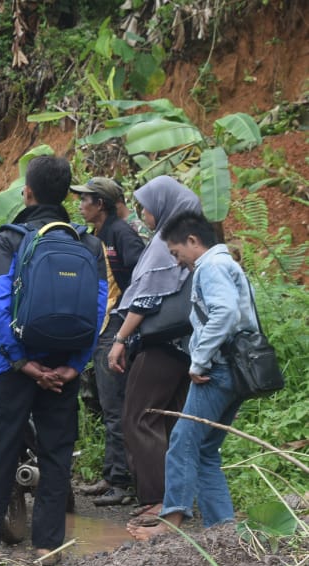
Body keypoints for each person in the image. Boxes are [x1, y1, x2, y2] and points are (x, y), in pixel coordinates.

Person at [0, 156, 107, 563]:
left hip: (12, 366)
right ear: (67, 194)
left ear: (27, 192)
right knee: (56, 452)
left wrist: (20, 362)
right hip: (63, 363)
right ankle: (49, 546)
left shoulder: (9, 238)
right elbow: (97, 311)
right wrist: (73, 366)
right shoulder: (89, 243)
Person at [128, 211, 250, 540]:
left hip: (217, 370)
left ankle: (170, 526)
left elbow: (224, 313)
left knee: (181, 441)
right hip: (235, 371)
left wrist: (199, 361)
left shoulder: (210, 267)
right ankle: (222, 531)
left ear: (193, 241)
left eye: (176, 253)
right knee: (206, 449)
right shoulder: (227, 264)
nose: (177, 261)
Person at [106, 176, 200, 518]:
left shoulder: (166, 241)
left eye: (145, 207)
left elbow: (146, 297)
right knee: (170, 420)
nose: (143, 214)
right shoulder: (196, 237)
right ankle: (177, 501)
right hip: (186, 346)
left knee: (140, 417)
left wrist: (119, 340)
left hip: (162, 343)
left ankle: (159, 501)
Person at [70, 177, 146, 505]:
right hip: (102, 327)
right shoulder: (96, 235)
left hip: (117, 328)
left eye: (85, 199)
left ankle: (123, 483)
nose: (80, 204)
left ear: (100, 203)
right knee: (107, 404)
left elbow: (144, 278)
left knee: (116, 407)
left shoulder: (122, 233)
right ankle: (110, 475)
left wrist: (125, 324)